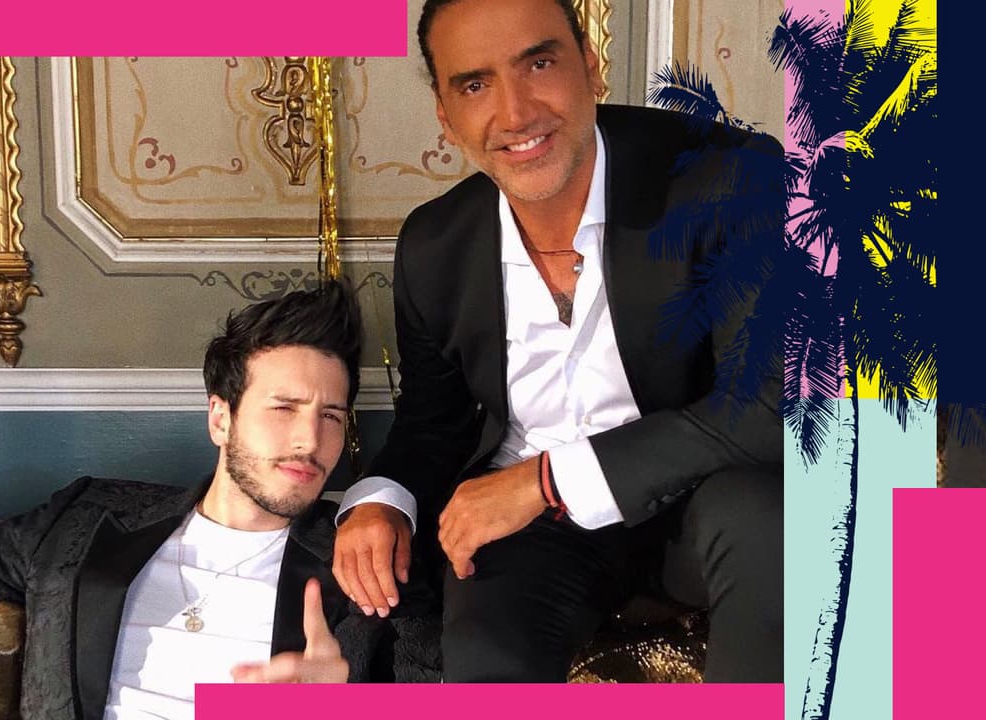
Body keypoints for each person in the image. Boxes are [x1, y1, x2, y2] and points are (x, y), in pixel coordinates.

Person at [332, 0, 785, 683]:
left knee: (764, 522)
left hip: (697, 496)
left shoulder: (725, 179)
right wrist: (379, 500)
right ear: (446, 117)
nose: (515, 113)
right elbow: (433, 426)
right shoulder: (434, 245)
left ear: (590, 67)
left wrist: (548, 480)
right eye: (475, 84)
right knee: (487, 659)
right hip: (535, 536)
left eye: (539, 64)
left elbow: (772, 402)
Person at [0, 282, 390, 719]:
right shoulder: (82, 521)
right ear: (220, 418)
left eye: (331, 416)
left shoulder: (365, 564)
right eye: (284, 408)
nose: (309, 440)